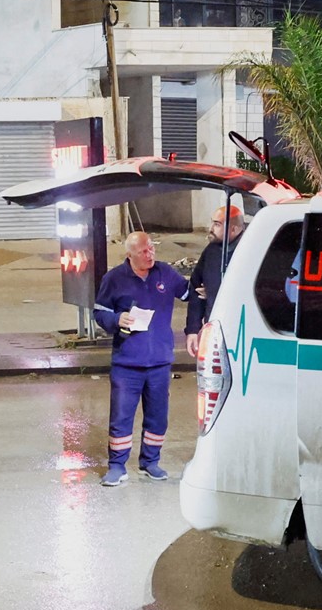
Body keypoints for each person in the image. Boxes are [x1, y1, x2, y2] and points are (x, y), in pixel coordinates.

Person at [93, 230, 189, 486]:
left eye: (152, 249)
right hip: (127, 363)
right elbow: (100, 312)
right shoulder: (114, 278)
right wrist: (116, 319)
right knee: (121, 417)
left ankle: (150, 463)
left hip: (159, 362)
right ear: (130, 255)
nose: (150, 254)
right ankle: (117, 466)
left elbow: (189, 292)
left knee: (158, 416)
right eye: (143, 251)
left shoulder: (165, 274)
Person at [184, 204, 246, 357]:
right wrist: (193, 329)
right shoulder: (212, 250)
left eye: (217, 224)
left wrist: (214, 291)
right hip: (215, 330)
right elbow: (196, 287)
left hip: (242, 334)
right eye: (212, 222)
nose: (210, 228)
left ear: (234, 229)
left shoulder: (249, 252)